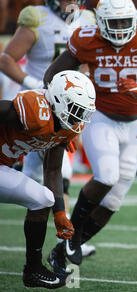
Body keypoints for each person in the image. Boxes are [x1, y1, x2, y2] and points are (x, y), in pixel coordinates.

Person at [43, 0, 137, 273]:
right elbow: (52, 76)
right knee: (106, 176)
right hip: (100, 118)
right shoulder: (85, 38)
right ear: (100, 21)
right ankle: (72, 234)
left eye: (123, 22)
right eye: (113, 23)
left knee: (114, 200)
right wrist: (65, 115)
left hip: (131, 124)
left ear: (134, 19)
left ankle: (63, 250)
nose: (119, 29)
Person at [0, 0, 97, 258]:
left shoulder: (88, 20)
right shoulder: (37, 16)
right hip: (39, 103)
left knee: (45, 178)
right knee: (41, 178)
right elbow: (7, 58)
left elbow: (86, 64)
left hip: (69, 106)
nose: (73, 2)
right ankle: (62, 242)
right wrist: (33, 82)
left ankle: (58, 236)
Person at [0, 70, 96, 288]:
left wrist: (60, 213)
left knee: (44, 199)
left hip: (3, 166)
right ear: (58, 100)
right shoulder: (35, 109)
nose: (79, 118)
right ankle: (33, 270)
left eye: (83, 113)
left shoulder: (65, 125)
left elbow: (52, 169)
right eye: (75, 110)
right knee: (41, 198)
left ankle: (33, 271)